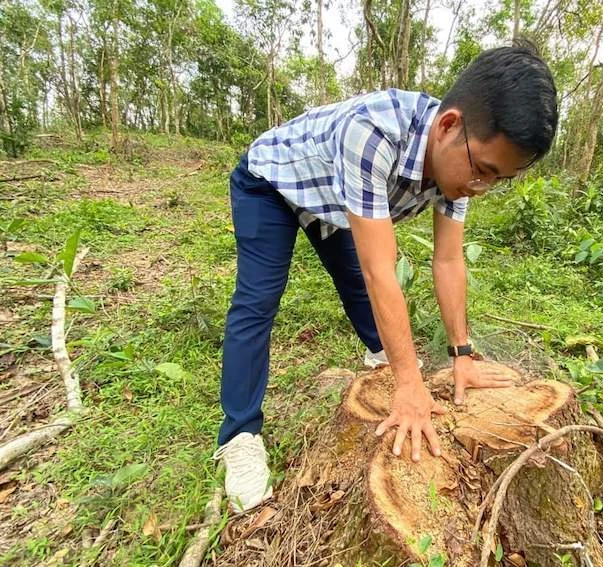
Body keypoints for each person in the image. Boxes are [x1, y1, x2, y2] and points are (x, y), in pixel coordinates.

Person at [212, 39, 558, 513]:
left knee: (352, 282)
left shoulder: (461, 160)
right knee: (258, 300)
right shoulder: (373, 133)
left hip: (333, 202)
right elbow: (382, 272)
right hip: (271, 184)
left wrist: (462, 353)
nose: (481, 188)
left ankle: (383, 360)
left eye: (499, 180)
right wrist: (411, 384)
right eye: (484, 172)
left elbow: (448, 260)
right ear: (449, 126)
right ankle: (239, 436)